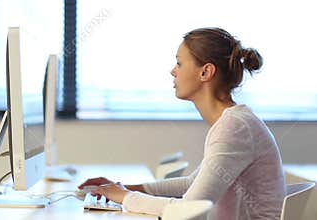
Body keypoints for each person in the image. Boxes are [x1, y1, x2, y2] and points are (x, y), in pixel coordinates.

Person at [79, 27, 286, 220]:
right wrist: (125, 189)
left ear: (205, 72)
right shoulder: (234, 122)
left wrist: (124, 197)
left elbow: (188, 208)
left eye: (179, 63)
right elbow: (191, 184)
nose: (173, 71)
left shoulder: (235, 127)